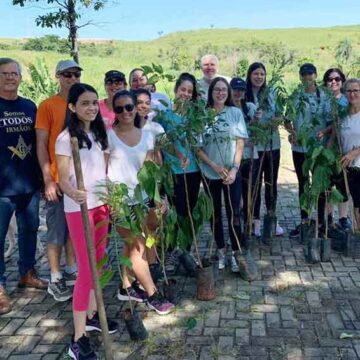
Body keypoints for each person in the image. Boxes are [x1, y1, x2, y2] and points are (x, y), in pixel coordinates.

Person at [56, 83, 117, 359]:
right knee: (86, 271)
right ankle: (77, 339)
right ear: (72, 107)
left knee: (99, 263)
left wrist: (110, 198)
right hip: (79, 209)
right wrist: (72, 191)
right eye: (84, 103)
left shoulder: (98, 132)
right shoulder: (66, 138)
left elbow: (102, 171)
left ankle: (93, 314)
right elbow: (62, 178)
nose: (91, 107)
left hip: (101, 207)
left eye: (94, 102)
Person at [107, 90, 174, 315]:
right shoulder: (108, 136)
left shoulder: (147, 136)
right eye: (119, 108)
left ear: (135, 108)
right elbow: (102, 171)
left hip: (145, 200)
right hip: (121, 203)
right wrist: (111, 201)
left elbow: (152, 172)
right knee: (137, 247)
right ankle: (152, 295)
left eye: (129, 107)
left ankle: (126, 286)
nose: (125, 112)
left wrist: (160, 198)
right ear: (114, 111)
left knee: (141, 243)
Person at [197, 77, 257, 280]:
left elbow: (240, 143)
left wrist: (234, 169)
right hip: (210, 172)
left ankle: (236, 253)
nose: (220, 93)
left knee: (234, 214)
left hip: (232, 173)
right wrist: (213, 165)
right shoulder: (203, 115)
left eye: (224, 90)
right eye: (217, 89)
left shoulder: (235, 113)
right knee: (214, 214)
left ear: (228, 93)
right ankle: (221, 250)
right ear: (211, 92)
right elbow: (197, 147)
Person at [0, 57, 47, 315]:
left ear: (20, 77)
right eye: (5, 74)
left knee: (30, 230)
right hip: (2, 188)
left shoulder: (30, 106)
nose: (10, 78)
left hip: (28, 183)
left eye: (14, 73)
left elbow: (39, 142)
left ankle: (27, 272)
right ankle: (0, 288)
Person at [36, 60, 80, 302]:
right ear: (58, 76)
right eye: (67, 74)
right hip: (56, 178)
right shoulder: (48, 106)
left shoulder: (79, 104)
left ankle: (72, 269)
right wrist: (48, 180)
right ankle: (55, 276)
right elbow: (41, 144)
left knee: (72, 230)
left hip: (75, 182)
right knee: (55, 231)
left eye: (76, 74)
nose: (72, 78)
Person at [158, 73, 202, 268]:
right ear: (176, 90)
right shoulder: (166, 115)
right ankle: (171, 250)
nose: (185, 94)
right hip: (174, 171)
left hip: (193, 171)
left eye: (189, 91)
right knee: (175, 212)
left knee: (190, 212)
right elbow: (163, 141)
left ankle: (186, 250)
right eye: (183, 89)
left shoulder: (195, 116)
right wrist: (178, 154)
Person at [285, 63, 332, 237]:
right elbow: (287, 120)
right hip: (299, 149)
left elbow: (330, 123)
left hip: (319, 149)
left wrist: (324, 133)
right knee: (303, 184)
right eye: (304, 74)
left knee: (320, 184)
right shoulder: (295, 96)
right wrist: (292, 132)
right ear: (300, 77)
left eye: (310, 74)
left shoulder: (325, 96)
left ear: (315, 75)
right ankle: (304, 221)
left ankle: (321, 222)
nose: (307, 77)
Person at [245, 62, 284, 237]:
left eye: (262, 74)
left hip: (272, 144)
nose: (259, 77)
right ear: (249, 75)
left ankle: (272, 217)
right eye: (256, 74)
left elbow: (280, 116)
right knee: (253, 184)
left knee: (271, 182)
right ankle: (255, 221)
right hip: (252, 147)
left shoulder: (272, 93)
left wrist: (270, 123)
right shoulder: (244, 94)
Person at [230, 77, 260, 233]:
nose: (238, 93)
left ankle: (249, 225)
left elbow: (256, 134)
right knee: (235, 195)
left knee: (249, 191)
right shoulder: (225, 109)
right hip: (231, 159)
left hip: (249, 157)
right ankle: (236, 228)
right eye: (235, 89)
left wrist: (257, 121)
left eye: (241, 90)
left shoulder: (250, 107)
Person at [322, 68, 351, 231]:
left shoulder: (346, 100)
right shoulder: (323, 99)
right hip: (324, 148)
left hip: (341, 147)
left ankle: (343, 218)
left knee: (342, 184)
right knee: (327, 184)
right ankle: (328, 217)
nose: (333, 82)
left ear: (342, 81)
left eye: (337, 79)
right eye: (330, 79)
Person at [339, 78, 360, 231]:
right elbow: (335, 136)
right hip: (350, 168)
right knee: (357, 205)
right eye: (349, 91)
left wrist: (355, 152)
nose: (352, 94)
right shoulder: (342, 116)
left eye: (356, 90)